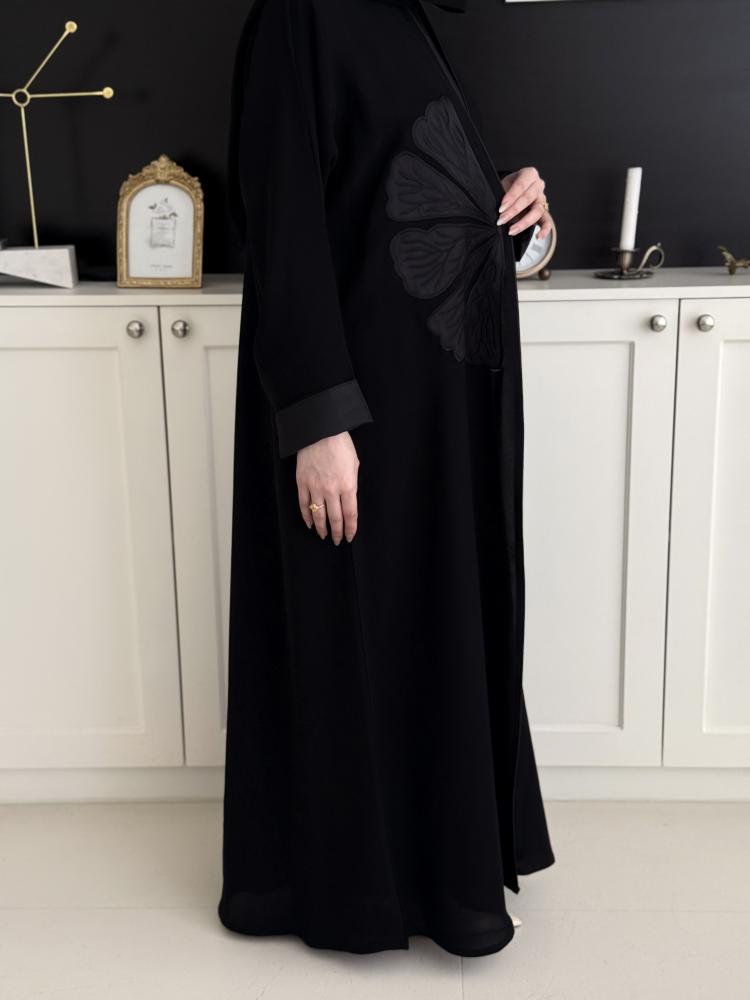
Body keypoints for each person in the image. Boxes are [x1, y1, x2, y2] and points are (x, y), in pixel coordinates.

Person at [218, 0, 555, 959]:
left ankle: (443, 869)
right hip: (368, 407)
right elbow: (283, 218)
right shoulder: (301, 13)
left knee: (434, 624)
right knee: (370, 627)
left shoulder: (405, 19)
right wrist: (318, 417)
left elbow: (395, 196)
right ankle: (365, 890)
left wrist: (515, 211)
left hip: (442, 412)